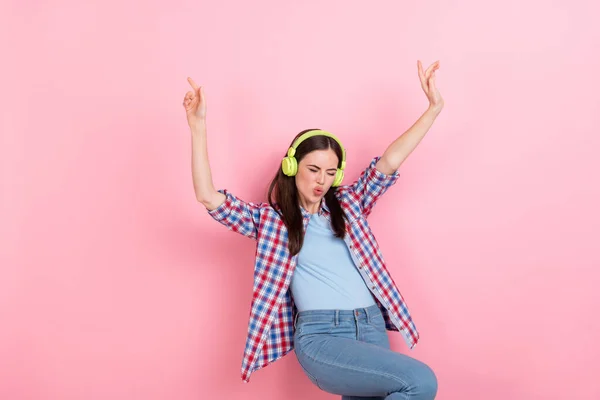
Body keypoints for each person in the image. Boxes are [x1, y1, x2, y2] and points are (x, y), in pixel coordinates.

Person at [182, 60, 444, 399]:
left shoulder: (350, 205)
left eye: (331, 172)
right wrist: (198, 127)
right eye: (314, 169)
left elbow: (389, 163)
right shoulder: (271, 221)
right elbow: (208, 197)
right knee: (421, 381)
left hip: (371, 327)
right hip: (322, 336)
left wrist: (433, 109)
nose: (322, 180)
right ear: (292, 167)